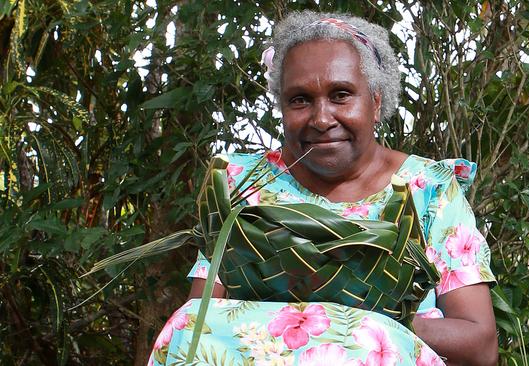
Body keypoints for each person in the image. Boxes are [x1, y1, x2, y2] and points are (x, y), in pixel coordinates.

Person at [148, 11, 497, 366]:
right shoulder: (245, 184)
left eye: (341, 95)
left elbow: (480, 344)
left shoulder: (427, 191)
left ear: (375, 102)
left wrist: (359, 326)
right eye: (299, 99)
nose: (321, 119)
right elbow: (203, 323)